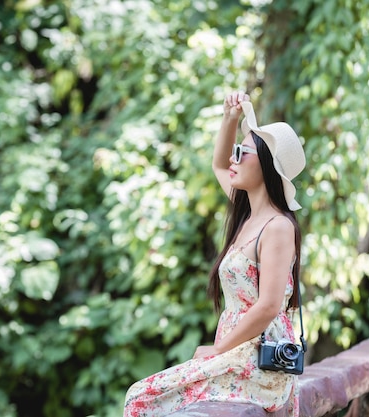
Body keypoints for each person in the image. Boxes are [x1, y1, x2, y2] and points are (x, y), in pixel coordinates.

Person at [123, 90, 306, 417]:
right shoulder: (248, 214)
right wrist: (230, 117)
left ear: (266, 166)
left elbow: (268, 306)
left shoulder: (277, 227)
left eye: (242, 151)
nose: (233, 159)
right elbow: (218, 164)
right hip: (237, 351)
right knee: (141, 398)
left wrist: (218, 350)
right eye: (236, 150)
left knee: (142, 399)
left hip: (259, 358)